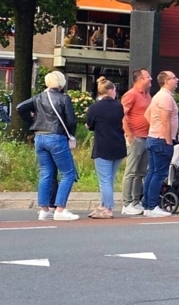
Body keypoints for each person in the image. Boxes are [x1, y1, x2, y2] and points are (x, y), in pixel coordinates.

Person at [16, 70, 80, 222]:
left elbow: (20, 107)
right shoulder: (64, 99)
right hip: (56, 137)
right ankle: (60, 209)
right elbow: (71, 121)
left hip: (39, 137)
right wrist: (71, 135)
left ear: (47, 82)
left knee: (46, 172)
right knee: (68, 173)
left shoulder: (38, 97)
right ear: (61, 83)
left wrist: (32, 122)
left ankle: (44, 210)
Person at [85, 77, 127, 219]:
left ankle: (107, 209)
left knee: (104, 180)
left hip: (102, 146)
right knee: (110, 179)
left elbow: (90, 125)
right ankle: (103, 205)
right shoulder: (119, 106)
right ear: (110, 90)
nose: (116, 92)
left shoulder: (94, 108)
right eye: (115, 90)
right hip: (119, 146)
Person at [142, 70, 179, 218]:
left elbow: (147, 115)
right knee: (159, 174)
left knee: (152, 172)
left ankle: (147, 205)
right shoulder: (166, 98)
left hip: (153, 137)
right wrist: (168, 140)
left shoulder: (158, 96)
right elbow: (165, 120)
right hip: (161, 140)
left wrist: (155, 127)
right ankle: (152, 206)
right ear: (166, 81)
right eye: (174, 78)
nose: (177, 80)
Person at [121, 68, 152, 215]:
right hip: (136, 137)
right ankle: (126, 203)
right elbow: (122, 114)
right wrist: (129, 134)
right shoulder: (131, 95)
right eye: (147, 77)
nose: (150, 79)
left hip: (146, 136)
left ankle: (135, 201)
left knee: (141, 172)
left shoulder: (147, 95)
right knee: (131, 171)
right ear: (140, 79)